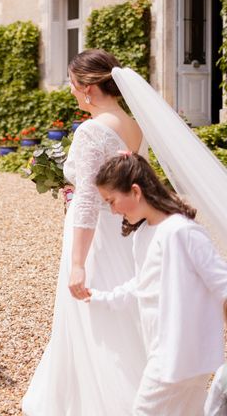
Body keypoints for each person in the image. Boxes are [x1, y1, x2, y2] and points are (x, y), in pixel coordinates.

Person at [22, 49, 147, 415]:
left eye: (74, 84)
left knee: (94, 318)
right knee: (122, 314)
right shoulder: (132, 124)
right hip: (124, 233)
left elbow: (90, 201)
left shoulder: (93, 131)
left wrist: (78, 263)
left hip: (96, 241)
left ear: (89, 87)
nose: (72, 91)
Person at [88, 152, 227, 415]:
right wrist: (99, 297)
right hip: (165, 348)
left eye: (112, 201)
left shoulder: (181, 231)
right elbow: (142, 283)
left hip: (179, 351)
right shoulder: (144, 234)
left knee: (144, 411)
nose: (113, 210)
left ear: (136, 191)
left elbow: (223, 284)